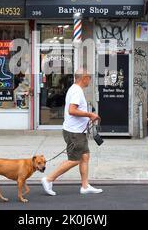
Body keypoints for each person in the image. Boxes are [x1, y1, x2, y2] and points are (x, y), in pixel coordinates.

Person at [41, 68, 102, 196]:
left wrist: (87, 117)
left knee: (85, 157)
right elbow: (72, 110)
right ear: (84, 78)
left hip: (78, 131)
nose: (90, 80)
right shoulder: (76, 91)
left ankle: (85, 186)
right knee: (75, 159)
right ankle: (48, 179)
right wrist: (90, 114)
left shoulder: (76, 89)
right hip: (74, 133)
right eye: (89, 77)